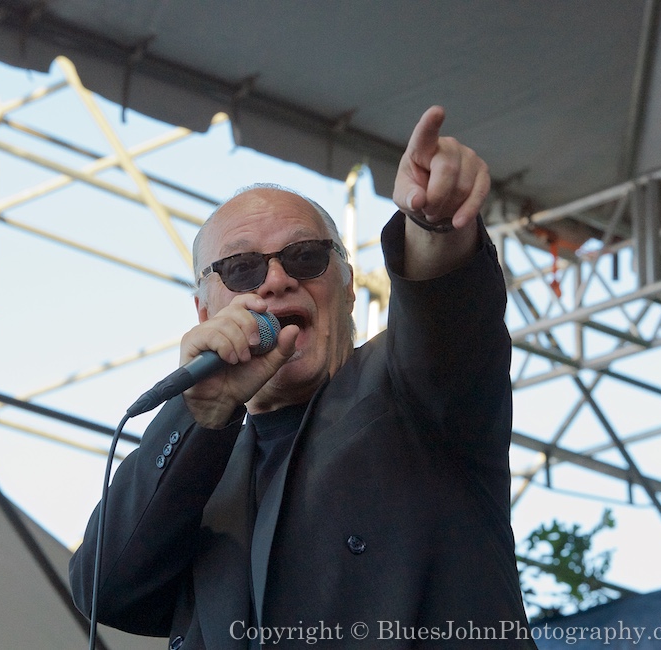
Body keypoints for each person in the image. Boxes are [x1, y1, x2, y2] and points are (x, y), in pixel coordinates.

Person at [70, 106, 536, 648]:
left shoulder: (413, 390)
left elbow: (447, 316)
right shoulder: (194, 477)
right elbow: (105, 590)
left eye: (305, 257)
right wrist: (198, 414)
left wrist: (433, 225)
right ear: (204, 312)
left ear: (348, 289)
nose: (274, 280)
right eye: (241, 268)